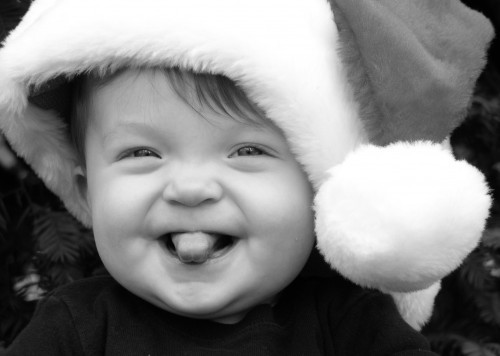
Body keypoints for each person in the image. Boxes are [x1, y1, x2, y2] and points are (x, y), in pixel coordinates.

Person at [0, 0, 494, 355]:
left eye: (247, 151)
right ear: (88, 194)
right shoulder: (75, 329)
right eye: (143, 152)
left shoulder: (351, 325)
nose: (191, 188)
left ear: (317, 188)